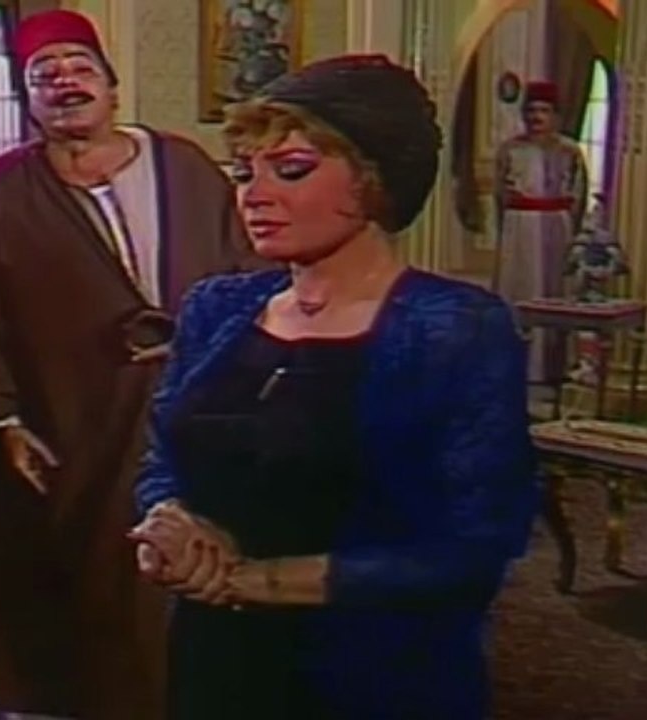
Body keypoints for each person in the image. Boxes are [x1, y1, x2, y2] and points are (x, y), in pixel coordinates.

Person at [129, 54, 540, 719]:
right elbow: (162, 460)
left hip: (374, 674)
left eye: (290, 170)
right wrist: (167, 519)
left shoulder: (455, 327)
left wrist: (258, 581)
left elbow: (473, 547)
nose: (254, 195)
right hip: (214, 659)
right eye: (245, 173)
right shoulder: (216, 307)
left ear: (374, 182)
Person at [0, 10, 258, 719]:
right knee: (84, 571)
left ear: (111, 85)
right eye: (43, 75)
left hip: (193, 401)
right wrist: (2, 419)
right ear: (28, 101)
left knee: (191, 559)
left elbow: (247, 272)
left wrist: (213, 346)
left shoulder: (183, 166)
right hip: (68, 413)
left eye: (79, 68)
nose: (65, 83)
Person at [493, 80, 589, 383]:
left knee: (555, 293)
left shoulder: (570, 151)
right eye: (532, 111)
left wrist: (571, 230)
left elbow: (579, 196)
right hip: (519, 228)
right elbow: (499, 195)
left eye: (544, 111)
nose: (537, 117)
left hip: (556, 226)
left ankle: (553, 367)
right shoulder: (510, 150)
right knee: (519, 292)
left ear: (555, 116)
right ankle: (515, 366)